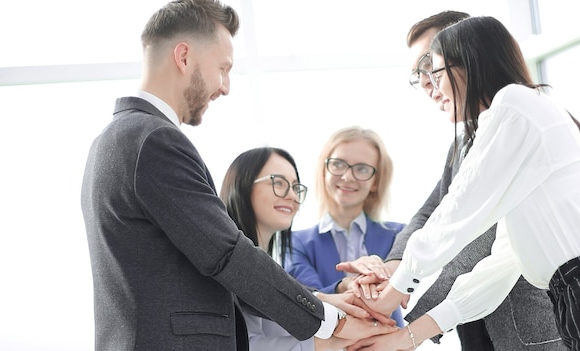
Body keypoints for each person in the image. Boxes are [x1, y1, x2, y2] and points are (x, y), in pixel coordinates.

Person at [80, 1, 393, 350]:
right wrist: (327, 320)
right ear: (184, 57)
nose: (225, 86)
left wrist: (323, 302)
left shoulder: (115, 139)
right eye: (223, 68)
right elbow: (226, 254)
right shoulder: (156, 140)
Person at [344, 16, 580, 351]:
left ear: (467, 61)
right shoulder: (524, 114)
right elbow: (501, 263)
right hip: (576, 292)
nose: (429, 86)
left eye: (433, 70)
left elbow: (455, 216)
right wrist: (407, 336)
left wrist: (394, 291)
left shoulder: (513, 106)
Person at [220, 147, 378, 351]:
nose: (292, 196)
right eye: (278, 183)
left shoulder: (275, 269)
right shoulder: (227, 265)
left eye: (296, 187)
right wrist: (324, 343)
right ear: (242, 185)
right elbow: (239, 343)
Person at [285, 126, 405, 327]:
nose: (348, 177)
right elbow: (309, 298)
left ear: (375, 181)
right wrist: (346, 285)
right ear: (324, 171)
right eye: (339, 164)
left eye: (362, 169)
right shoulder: (295, 243)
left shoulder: (399, 236)